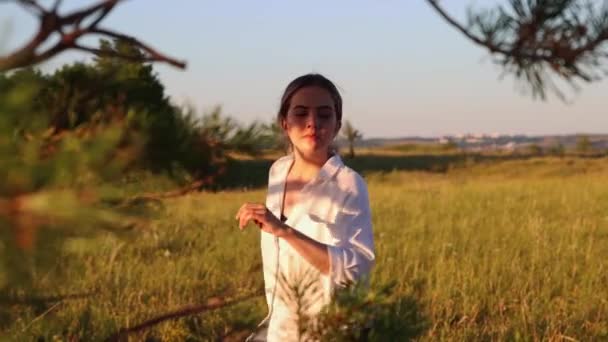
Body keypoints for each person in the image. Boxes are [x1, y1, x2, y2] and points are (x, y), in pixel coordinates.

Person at [236, 73, 375, 341]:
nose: (313, 123)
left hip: (326, 330)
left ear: (337, 125)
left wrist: (285, 231)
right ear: (284, 122)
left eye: (324, 115)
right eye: (301, 113)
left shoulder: (349, 184)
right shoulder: (278, 171)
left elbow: (357, 269)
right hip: (279, 326)